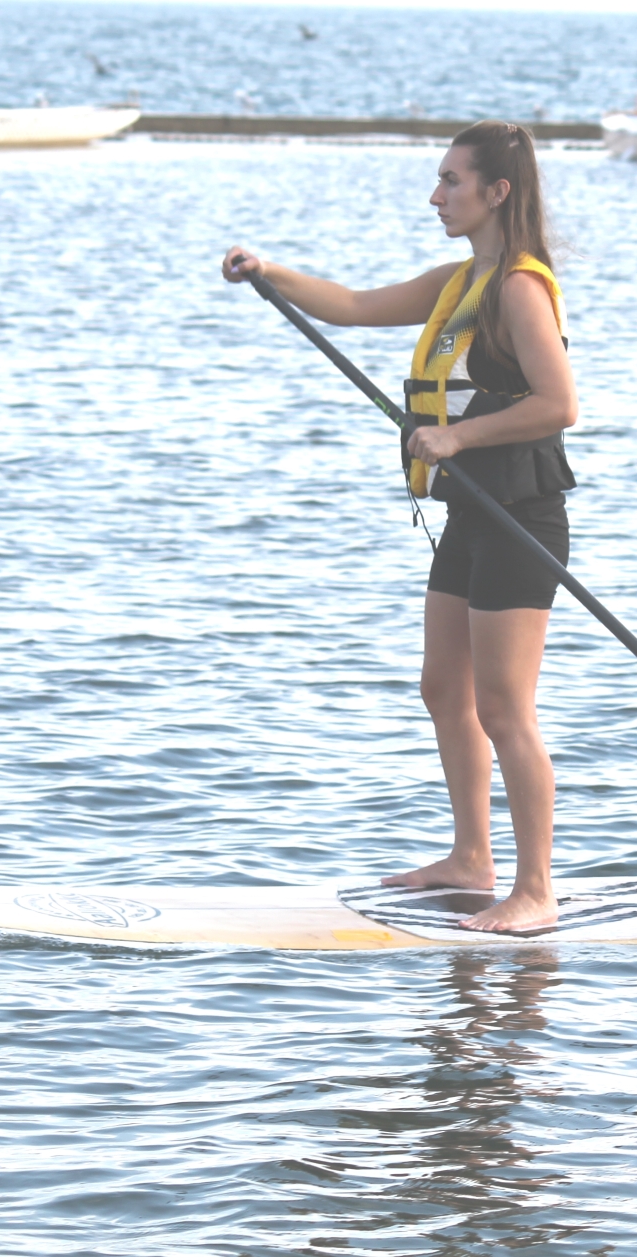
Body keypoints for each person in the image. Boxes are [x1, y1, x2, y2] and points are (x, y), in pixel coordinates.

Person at [221, 121, 579, 932]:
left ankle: (535, 890)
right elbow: (351, 306)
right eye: (438, 179)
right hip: (470, 514)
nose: (436, 195)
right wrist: (270, 271)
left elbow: (560, 404)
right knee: (441, 688)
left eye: (452, 181)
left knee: (504, 706)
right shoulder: (459, 281)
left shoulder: (520, 285)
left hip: (522, 518)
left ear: (498, 193)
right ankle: (470, 858)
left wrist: (455, 436)